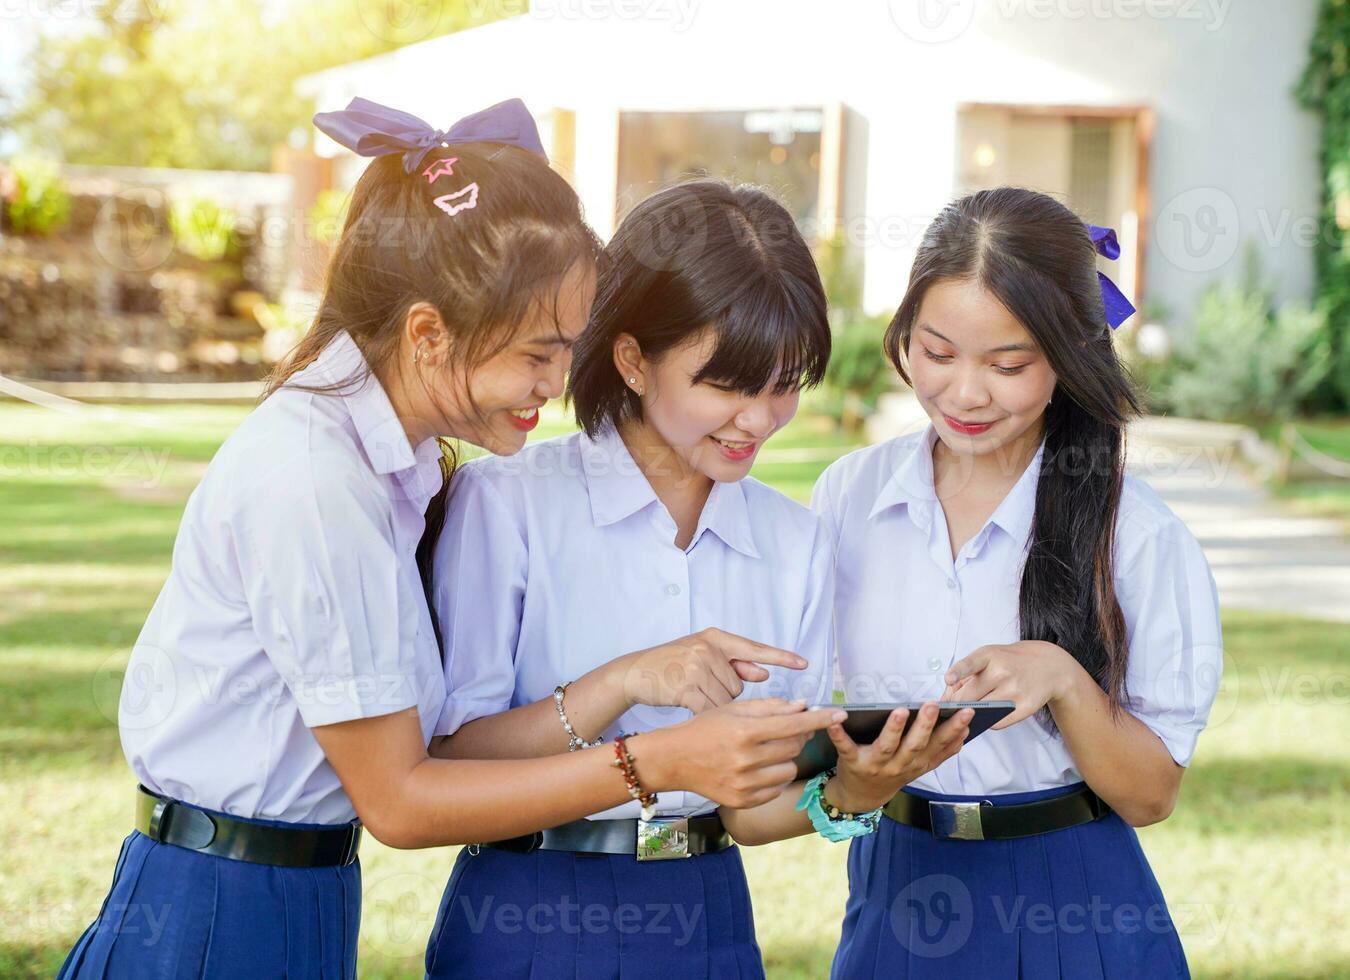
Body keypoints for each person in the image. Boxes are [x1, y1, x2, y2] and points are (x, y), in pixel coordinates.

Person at [55, 99, 843, 980]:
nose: (556, 384)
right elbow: (403, 797)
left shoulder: (399, 463)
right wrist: (652, 751)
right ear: (429, 333)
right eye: (539, 354)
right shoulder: (322, 481)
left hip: (289, 891)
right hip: (219, 906)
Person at [421, 180, 973, 979]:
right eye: (728, 385)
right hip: (528, 910)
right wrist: (627, 681)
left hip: (709, 917)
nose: (759, 419)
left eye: (784, 385)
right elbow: (451, 758)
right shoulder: (508, 505)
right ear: (633, 359)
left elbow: (755, 814)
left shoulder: (794, 543)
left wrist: (857, 787)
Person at [813, 187, 1224, 978]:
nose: (965, 394)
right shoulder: (848, 497)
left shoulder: (1135, 534)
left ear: (1070, 360)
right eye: (936, 354)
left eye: (1007, 365)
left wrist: (1065, 680)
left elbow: (1150, 797)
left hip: (1070, 895)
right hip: (898, 885)